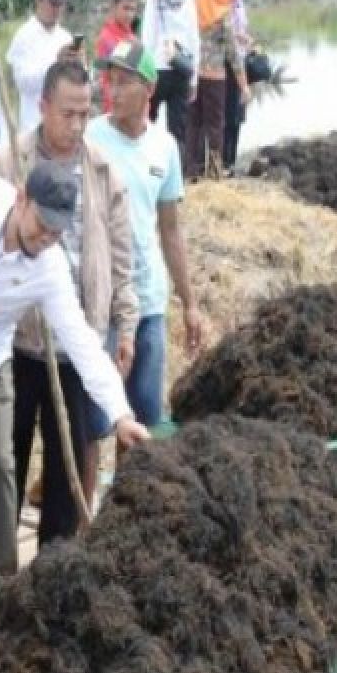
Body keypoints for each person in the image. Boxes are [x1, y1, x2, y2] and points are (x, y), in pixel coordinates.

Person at [0, 161, 150, 594]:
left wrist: (121, 414)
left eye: (55, 232)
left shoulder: (49, 267)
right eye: (40, 224)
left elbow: (83, 343)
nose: (44, 238)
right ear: (21, 199)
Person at [0, 61, 139, 540]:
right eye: (66, 114)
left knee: (68, 456)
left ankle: (55, 559)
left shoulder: (101, 171)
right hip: (16, 339)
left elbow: (121, 257)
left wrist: (126, 323)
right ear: (43, 107)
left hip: (77, 339)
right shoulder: (8, 162)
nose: (75, 125)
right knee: (4, 456)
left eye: (84, 114)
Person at [86, 41, 208, 431]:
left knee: (144, 416)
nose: (114, 91)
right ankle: (86, 494)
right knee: (95, 422)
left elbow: (170, 228)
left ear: (149, 90)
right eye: (110, 81)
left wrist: (189, 302)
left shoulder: (164, 147)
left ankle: (127, 491)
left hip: (149, 301)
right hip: (102, 301)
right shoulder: (90, 138)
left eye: (124, 83)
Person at [186, 0, 244, 179]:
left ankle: (191, 170)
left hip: (193, 75)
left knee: (193, 123)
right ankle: (214, 171)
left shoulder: (195, 4)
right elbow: (233, 55)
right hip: (215, 78)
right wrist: (244, 85)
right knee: (215, 125)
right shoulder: (223, 14)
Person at [6, 0, 75, 134]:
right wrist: (56, 63)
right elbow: (23, 83)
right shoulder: (24, 36)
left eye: (61, 4)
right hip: (34, 126)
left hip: (64, 127)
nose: (57, 10)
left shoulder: (65, 36)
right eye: (53, 3)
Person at [140, 0, 200, 146]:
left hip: (156, 70)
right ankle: (176, 168)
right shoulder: (187, 1)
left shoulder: (153, 1)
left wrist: (144, 76)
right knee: (178, 130)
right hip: (181, 70)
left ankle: (150, 165)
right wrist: (194, 80)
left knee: (148, 123)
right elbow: (194, 42)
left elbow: (147, 40)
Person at [221, 0, 252, 172]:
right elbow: (220, 33)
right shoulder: (221, 3)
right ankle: (224, 161)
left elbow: (240, 29)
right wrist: (236, 37)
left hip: (240, 61)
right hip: (226, 63)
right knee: (227, 114)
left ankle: (231, 161)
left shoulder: (239, 3)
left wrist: (246, 40)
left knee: (238, 114)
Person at [95, 0, 140, 113]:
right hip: (112, 107)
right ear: (113, 6)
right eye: (125, 8)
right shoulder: (106, 38)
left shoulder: (131, 37)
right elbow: (103, 77)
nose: (130, 15)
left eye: (133, 9)